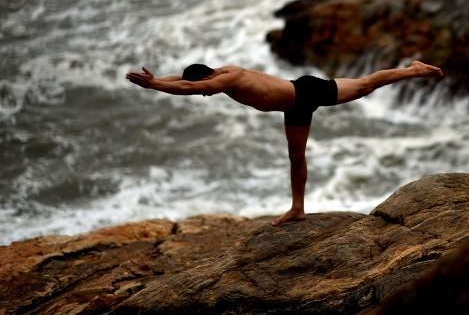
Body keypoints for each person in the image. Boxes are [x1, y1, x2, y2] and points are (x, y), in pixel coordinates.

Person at [126, 60, 444, 225]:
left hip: (306, 92)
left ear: (208, 79)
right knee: (296, 157)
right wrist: (156, 81)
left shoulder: (226, 79)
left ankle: (413, 70)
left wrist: (155, 86)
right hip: (294, 106)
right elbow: (184, 81)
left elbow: (188, 89)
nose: (208, 94)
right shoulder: (218, 73)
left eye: (206, 89)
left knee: (363, 86)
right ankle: (297, 209)